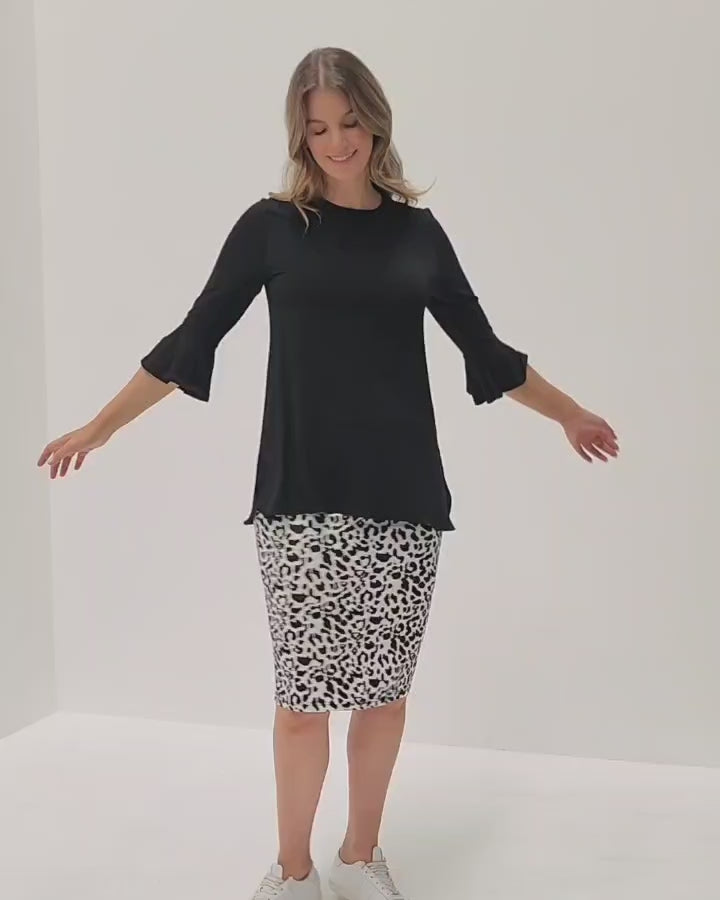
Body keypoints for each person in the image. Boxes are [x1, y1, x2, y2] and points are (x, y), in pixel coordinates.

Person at [38, 46, 619, 900]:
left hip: (404, 497)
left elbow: (487, 351)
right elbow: (192, 339)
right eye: (318, 129)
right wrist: (100, 427)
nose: (337, 142)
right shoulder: (272, 227)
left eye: (349, 123)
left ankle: (358, 853)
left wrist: (569, 412)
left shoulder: (418, 235)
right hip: (302, 497)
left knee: (383, 694)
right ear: (299, 136)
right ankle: (294, 870)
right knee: (304, 699)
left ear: (376, 123)